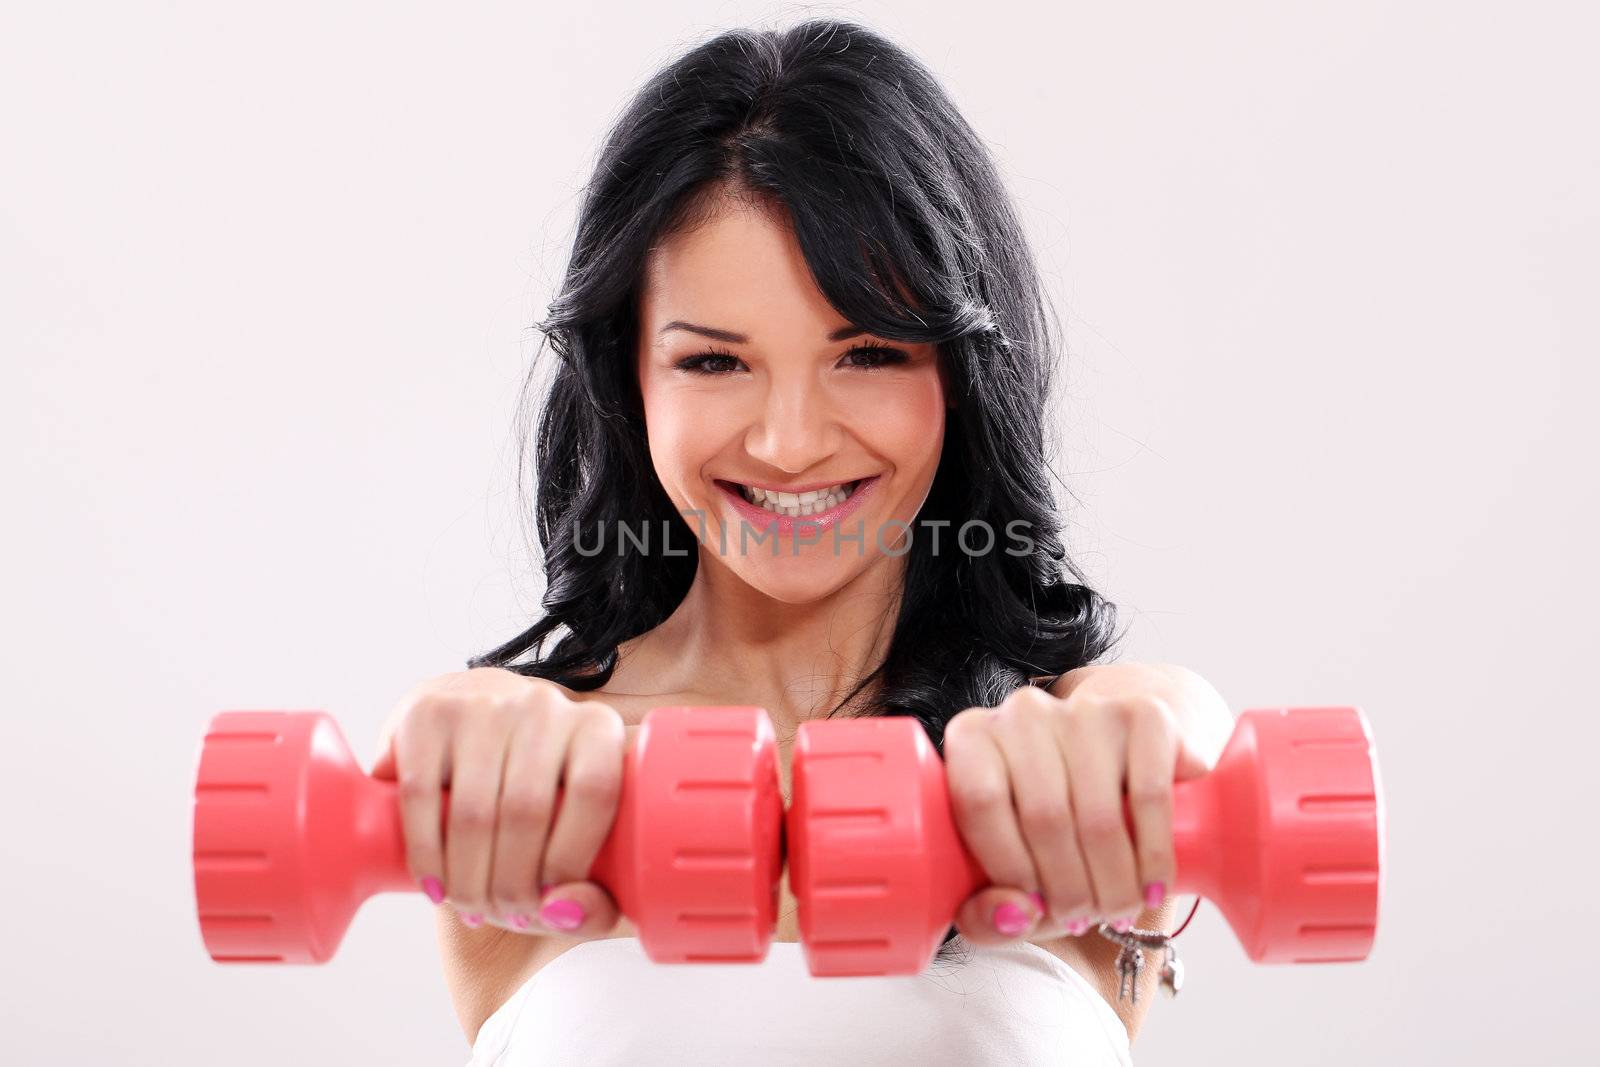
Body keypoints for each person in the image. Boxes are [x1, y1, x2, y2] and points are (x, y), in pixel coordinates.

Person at [370, 17, 1236, 1065]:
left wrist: (1158, 716)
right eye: (714, 363)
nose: (788, 444)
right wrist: (455, 718)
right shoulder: (533, 787)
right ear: (626, 379)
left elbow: (1168, 731)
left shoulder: (1068, 778)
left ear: (959, 375)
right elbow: (450, 735)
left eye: (867, 352)